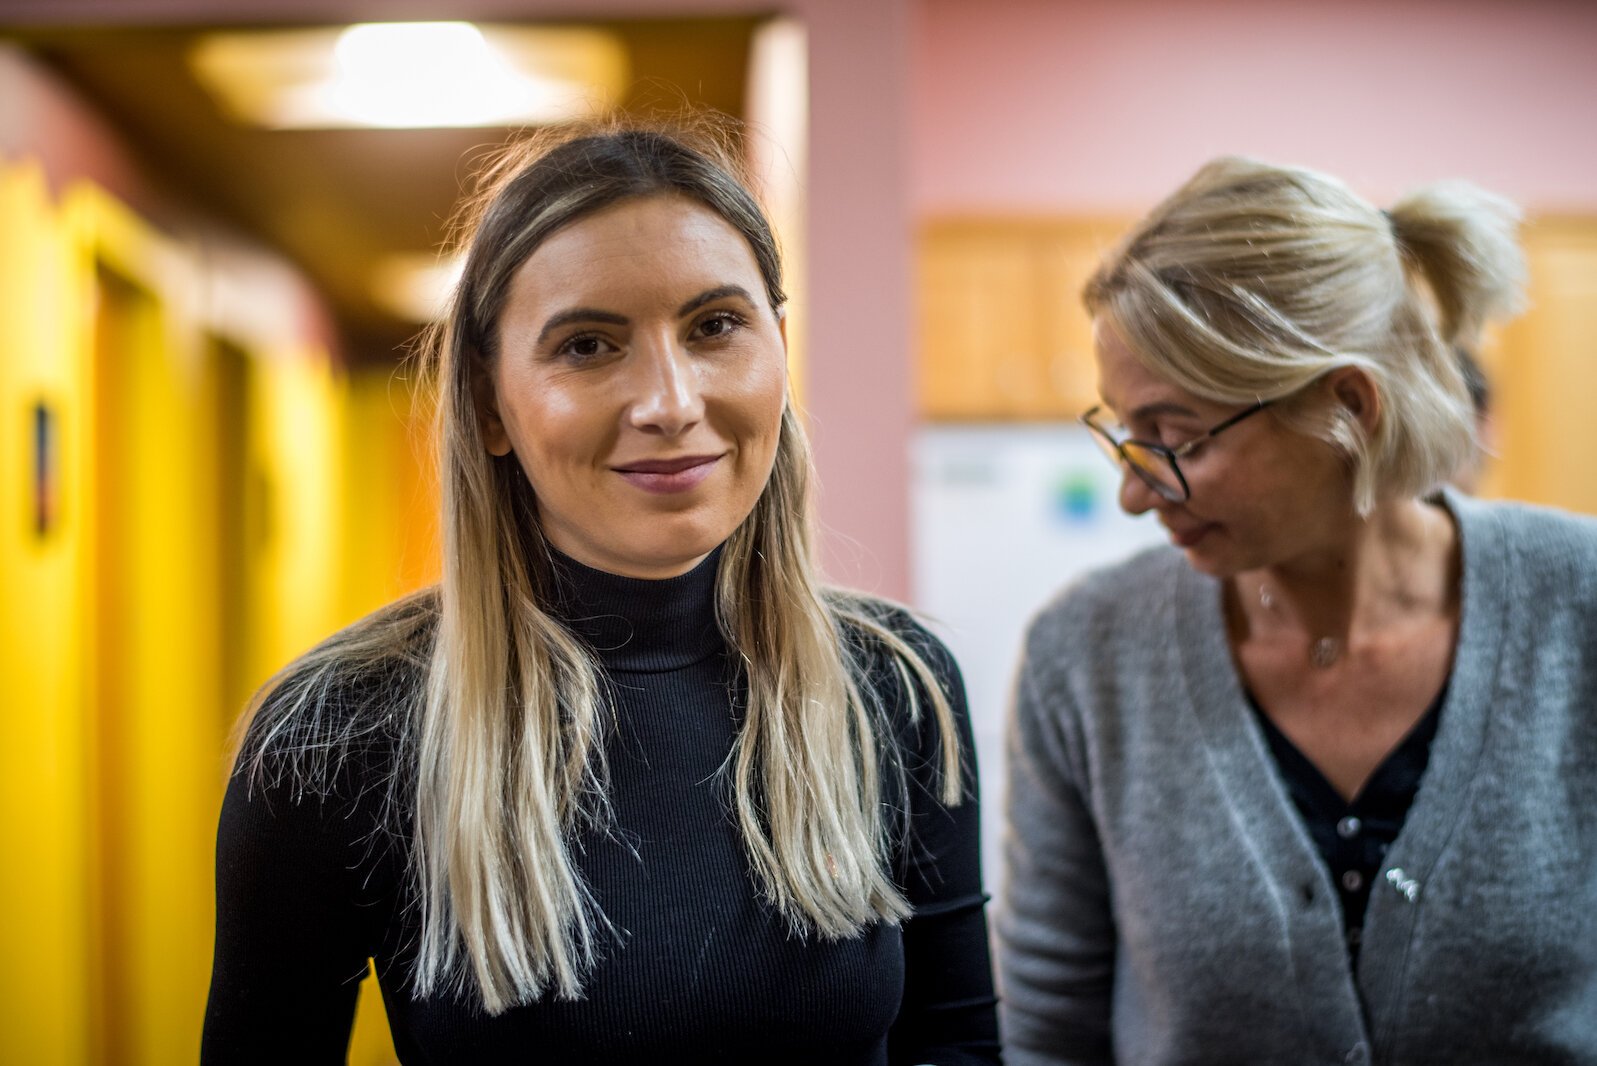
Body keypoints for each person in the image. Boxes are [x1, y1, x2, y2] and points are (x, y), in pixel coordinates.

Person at [202, 121, 1000, 1065]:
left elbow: (953, 1047)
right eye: (586, 345)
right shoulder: (340, 731)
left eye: (715, 327)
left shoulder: (896, 684)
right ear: (491, 405)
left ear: (779, 350)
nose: (670, 403)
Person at [999, 156, 1597, 1064]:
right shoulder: (1085, 655)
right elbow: (1048, 1031)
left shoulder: (1578, 606)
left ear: (1348, 407)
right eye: (1122, 433)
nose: (1130, 493)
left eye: (1170, 436)